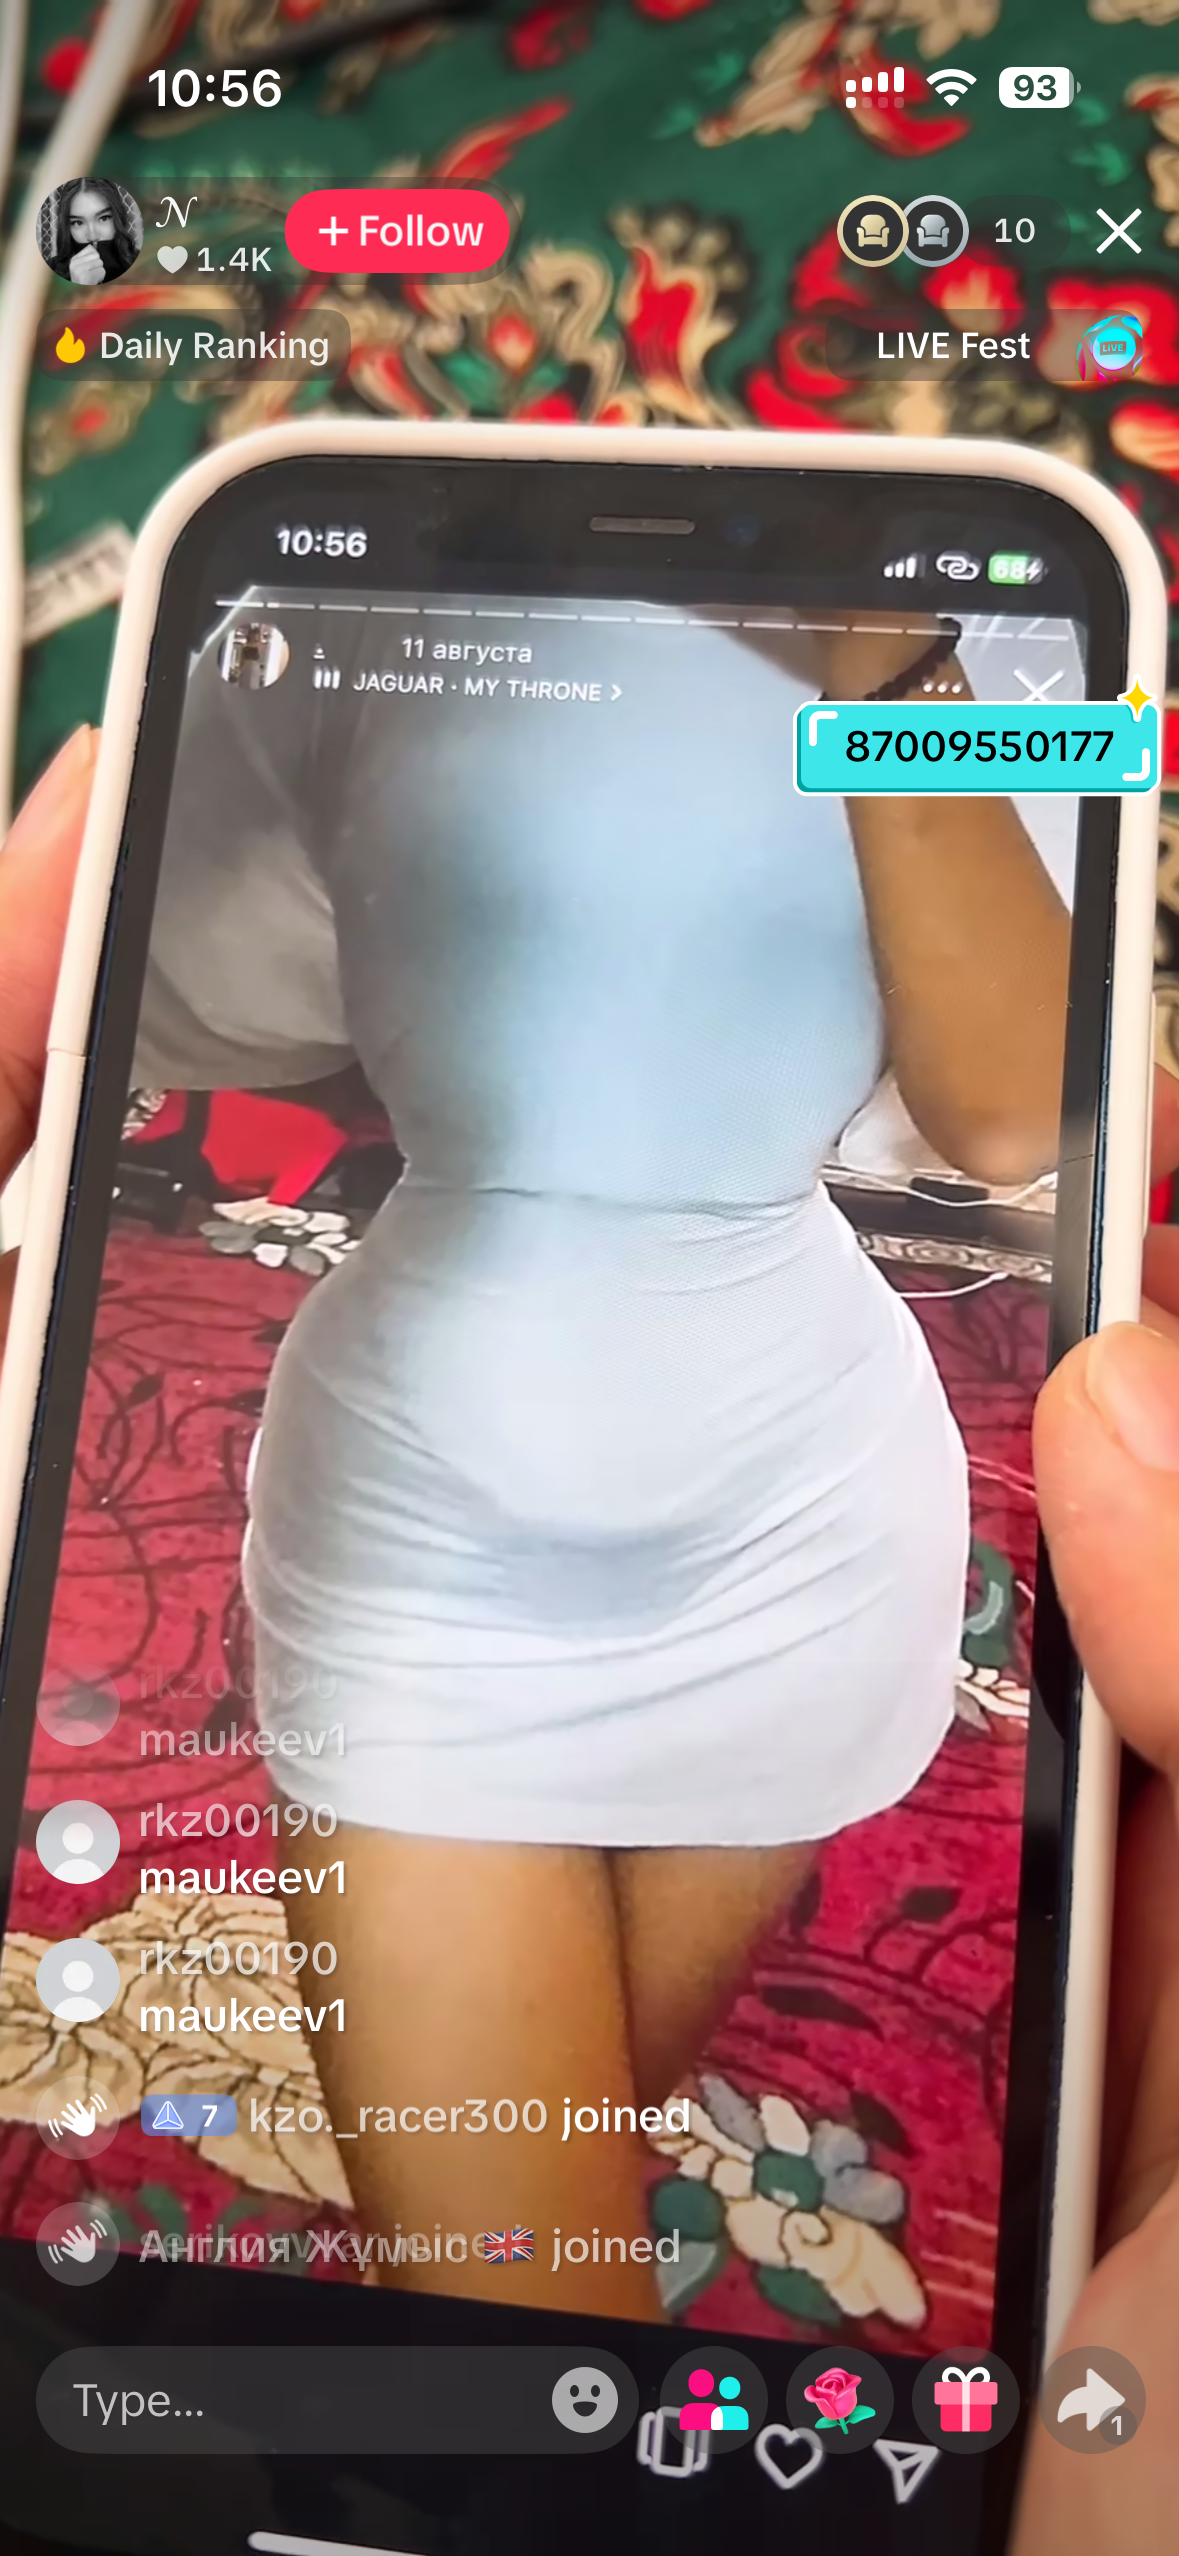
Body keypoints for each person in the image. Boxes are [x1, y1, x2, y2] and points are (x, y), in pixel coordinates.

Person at [3, 733, 1178, 2540]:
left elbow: (1032, 1114)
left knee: (561, 2175)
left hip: (798, 1513)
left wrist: (887, 690)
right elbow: (186, 1003)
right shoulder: (351, 654)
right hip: (414, 1529)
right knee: (506, 2288)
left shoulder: (958, 678)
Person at [39, 180, 141, 288]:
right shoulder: (47, 275)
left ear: (117, 218)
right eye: (78, 223)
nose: (92, 236)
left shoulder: (142, 263)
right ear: (67, 227)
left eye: (104, 218)